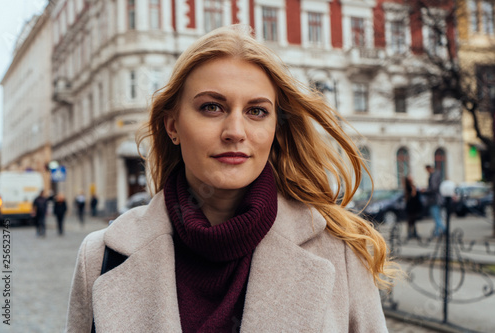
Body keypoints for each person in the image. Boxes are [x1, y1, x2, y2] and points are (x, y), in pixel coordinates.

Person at [66, 26, 398, 332]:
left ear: (275, 129)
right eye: (211, 107)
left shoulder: (340, 251)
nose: (235, 132)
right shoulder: (100, 258)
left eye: (257, 111)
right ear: (173, 126)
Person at [424, 165, 445, 237]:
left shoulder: (434, 176)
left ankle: (444, 230)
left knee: (436, 217)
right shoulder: (435, 175)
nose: (426, 172)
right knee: (437, 217)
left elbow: (433, 188)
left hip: (434, 199)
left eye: (427, 170)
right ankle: (437, 233)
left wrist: (425, 190)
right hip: (435, 199)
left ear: (429, 168)